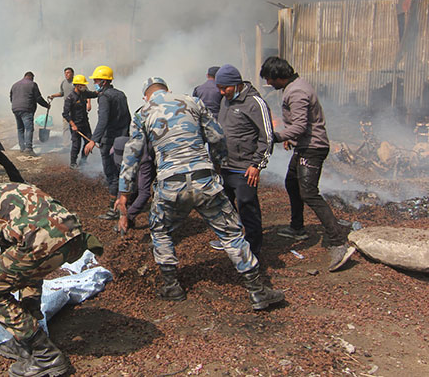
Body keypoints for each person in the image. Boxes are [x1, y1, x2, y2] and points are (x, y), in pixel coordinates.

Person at [116, 77, 284, 311]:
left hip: (170, 184)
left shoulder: (143, 112)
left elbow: (131, 155)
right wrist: (217, 165)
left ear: (147, 95)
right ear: (168, 89)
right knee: (231, 233)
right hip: (204, 180)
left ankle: (171, 286)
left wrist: (124, 194)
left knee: (161, 230)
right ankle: (257, 291)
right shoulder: (192, 102)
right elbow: (217, 137)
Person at [0, 178, 102, 377]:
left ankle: (46, 355)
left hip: (43, 239)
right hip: (73, 235)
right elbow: (18, 267)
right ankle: (26, 341)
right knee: (23, 270)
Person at [260, 56, 356, 272]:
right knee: (292, 183)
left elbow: (301, 126)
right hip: (305, 146)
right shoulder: (296, 86)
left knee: (309, 193)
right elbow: (302, 124)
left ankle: (337, 239)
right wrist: (292, 140)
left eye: (269, 79)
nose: (268, 84)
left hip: (313, 148)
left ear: (278, 76)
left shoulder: (296, 92)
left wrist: (275, 137)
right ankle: (297, 227)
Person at [212, 65, 273, 256]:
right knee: (226, 207)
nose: (222, 92)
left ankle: (254, 247)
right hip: (226, 166)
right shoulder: (225, 101)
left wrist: (256, 165)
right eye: (219, 88)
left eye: (225, 88)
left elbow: (267, 137)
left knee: (248, 207)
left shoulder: (255, 103)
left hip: (245, 168)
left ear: (236, 84)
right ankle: (231, 241)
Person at [83, 65, 130, 219]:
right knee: (121, 171)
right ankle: (123, 201)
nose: (94, 82)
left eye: (96, 80)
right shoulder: (121, 94)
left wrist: (93, 140)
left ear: (103, 81)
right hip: (122, 140)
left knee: (111, 174)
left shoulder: (104, 97)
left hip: (109, 140)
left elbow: (102, 120)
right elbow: (127, 118)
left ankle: (113, 209)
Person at [112, 111, 155, 232]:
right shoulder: (115, 149)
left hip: (160, 163)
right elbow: (124, 176)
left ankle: (130, 218)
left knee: (141, 188)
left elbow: (145, 193)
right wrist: (120, 198)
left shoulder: (144, 160)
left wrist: (127, 215)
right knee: (130, 189)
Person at [9, 72, 50, 157]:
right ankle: (28, 148)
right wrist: (46, 105)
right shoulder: (32, 84)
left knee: (20, 128)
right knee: (29, 129)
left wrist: (16, 106)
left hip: (15, 109)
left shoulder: (15, 85)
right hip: (26, 109)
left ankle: (22, 147)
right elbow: (38, 98)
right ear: (32, 77)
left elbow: (11, 97)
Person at [61, 75, 98, 169]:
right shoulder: (70, 98)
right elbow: (65, 113)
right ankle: (73, 163)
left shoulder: (84, 93)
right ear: (77, 85)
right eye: (83, 85)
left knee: (88, 142)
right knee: (76, 145)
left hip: (85, 123)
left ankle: (83, 161)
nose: (85, 87)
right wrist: (73, 125)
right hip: (75, 125)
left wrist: (101, 91)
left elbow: (94, 94)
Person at [48, 67, 77, 147]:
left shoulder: (77, 82)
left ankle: (77, 142)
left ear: (72, 74)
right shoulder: (63, 83)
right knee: (66, 126)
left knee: (76, 125)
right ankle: (66, 144)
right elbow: (62, 93)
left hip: (77, 108)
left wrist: (88, 103)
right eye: (65, 73)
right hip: (67, 108)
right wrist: (53, 96)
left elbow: (86, 92)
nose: (66, 74)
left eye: (68, 73)